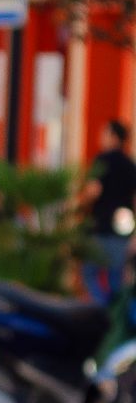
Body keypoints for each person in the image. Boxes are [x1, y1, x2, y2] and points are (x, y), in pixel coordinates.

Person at [81, 120, 136, 304]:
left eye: (104, 134)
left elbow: (93, 191)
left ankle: (101, 309)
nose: (101, 138)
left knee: (89, 273)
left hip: (99, 228)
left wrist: (80, 207)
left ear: (114, 137)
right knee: (117, 280)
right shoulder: (130, 165)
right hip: (121, 233)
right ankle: (113, 314)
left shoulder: (102, 160)